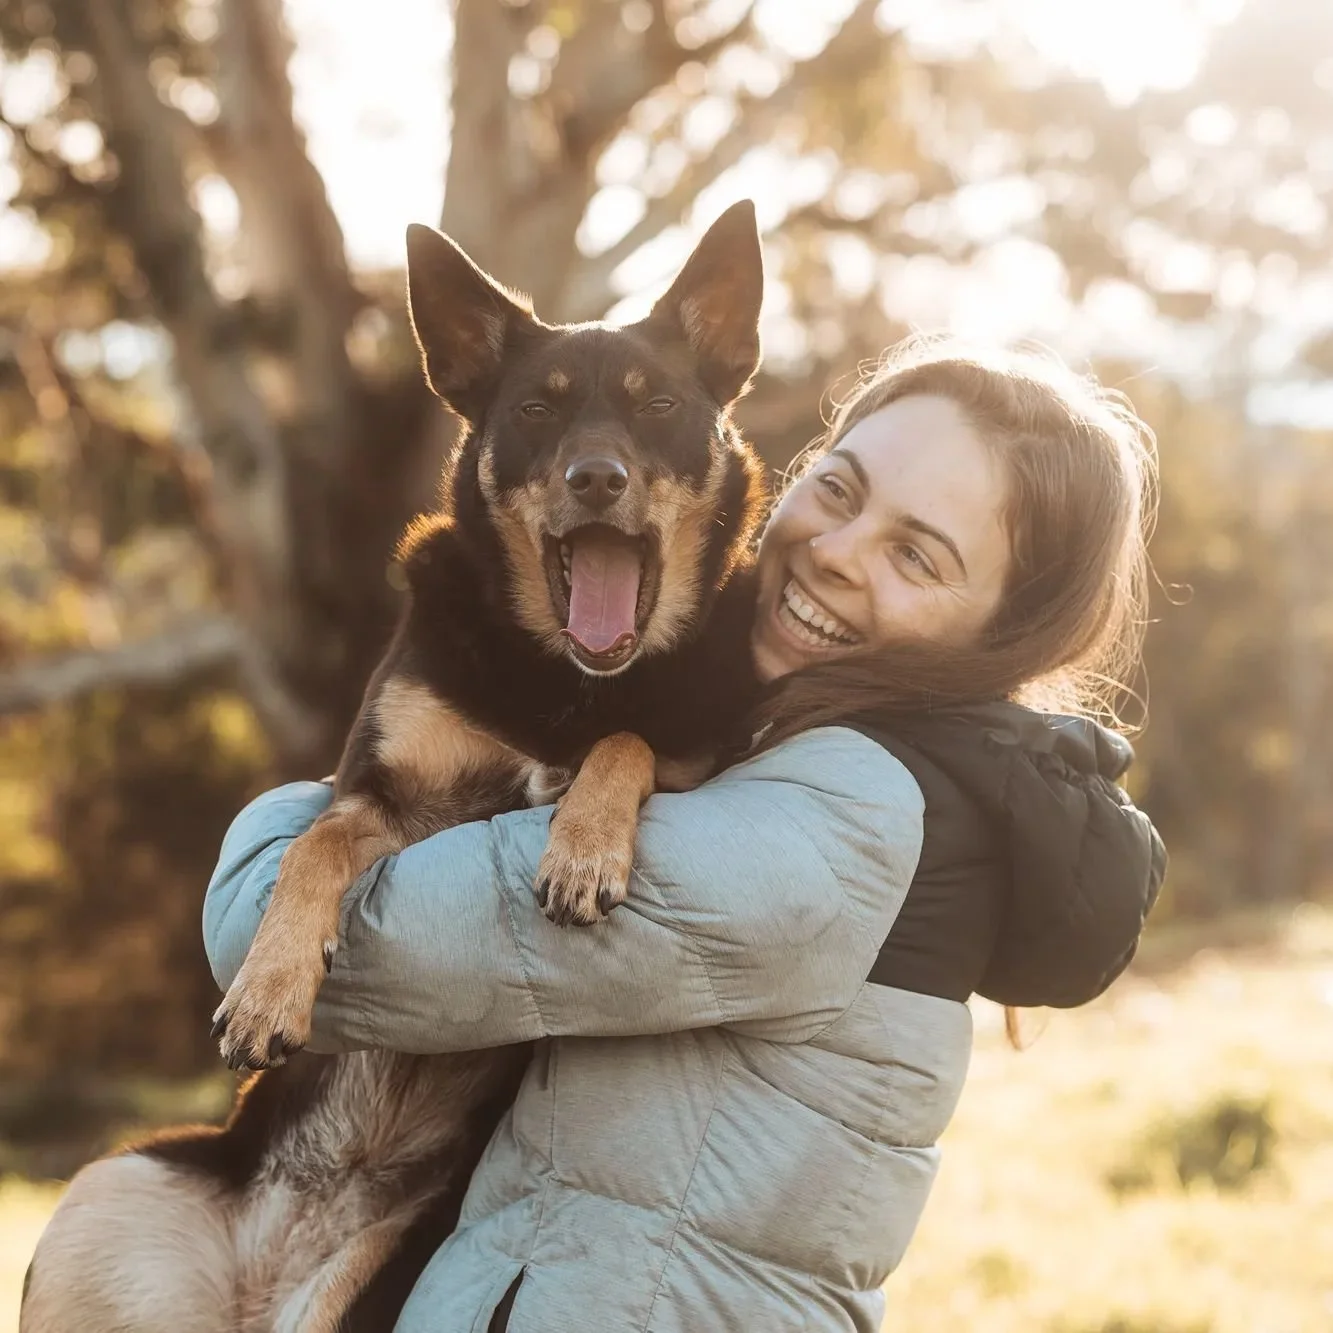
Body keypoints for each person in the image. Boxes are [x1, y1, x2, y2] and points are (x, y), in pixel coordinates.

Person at [30, 337, 1167, 1333]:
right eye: (839, 486)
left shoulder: (859, 810)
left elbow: (358, 952)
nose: (833, 551)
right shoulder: (758, 716)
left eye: (917, 554)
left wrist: (299, 819)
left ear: (1005, 629)